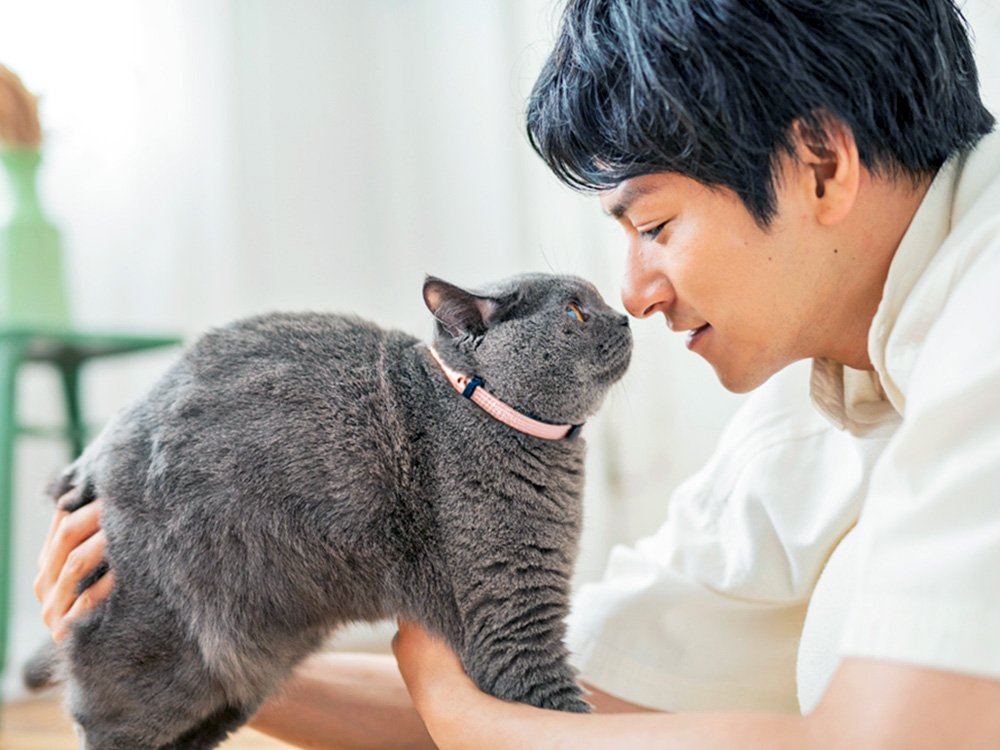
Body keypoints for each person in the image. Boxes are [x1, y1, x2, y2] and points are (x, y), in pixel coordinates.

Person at [35, 0, 1000, 747]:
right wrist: (171, 641)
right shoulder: (822, 397)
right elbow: (560, 702)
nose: (639, 293)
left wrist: (473, 726)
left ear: (822, 163)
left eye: (656, 226)